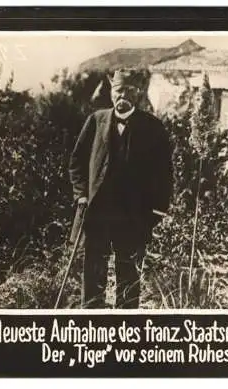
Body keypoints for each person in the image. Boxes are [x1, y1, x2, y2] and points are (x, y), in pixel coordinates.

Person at [69, 69, 174, 309]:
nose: (123, 95)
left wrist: (157, 211)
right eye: (118, 90)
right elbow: (76, 161)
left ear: (138, 94)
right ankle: (92, 316)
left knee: (128, 270)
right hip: (98, 211)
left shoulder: (153, 127)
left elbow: (164, 174)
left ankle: (125, 319)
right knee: (94, 266)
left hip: (133, 214)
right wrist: (81, 194)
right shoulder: (96, 120)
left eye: (129, 90)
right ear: (111, 92)